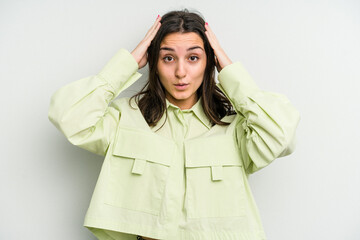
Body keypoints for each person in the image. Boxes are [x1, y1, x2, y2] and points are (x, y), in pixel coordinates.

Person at [48, 8, 300, 240]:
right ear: (154, 64)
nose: (181, 72)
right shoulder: (125, 118)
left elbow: (282, 135)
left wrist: (228, 68)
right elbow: (69, 116)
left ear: (208, 63)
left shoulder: (235, 128)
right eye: (168, 58)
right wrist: (126, 65)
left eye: (193, 58)